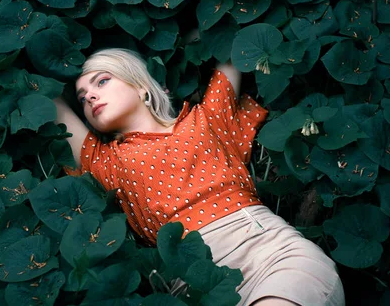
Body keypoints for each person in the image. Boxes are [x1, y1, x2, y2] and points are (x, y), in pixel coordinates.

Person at [53, 47, 345, 306]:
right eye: (82, 98)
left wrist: (193, 36)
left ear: (142, 86)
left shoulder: (205, 118)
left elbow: (231, 41)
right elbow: (47, 99)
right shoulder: (104, 160)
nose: (89, 96)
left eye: (102, 81)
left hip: (269, 251)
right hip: (195, 284)